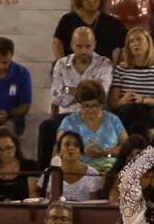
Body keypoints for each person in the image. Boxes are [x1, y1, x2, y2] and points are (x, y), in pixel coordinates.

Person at [39, 27, 114, 166]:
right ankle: (42, 175)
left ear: (94, 45)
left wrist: (68, 90)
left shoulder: (105, 64)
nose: (83, 51)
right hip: (65, 115)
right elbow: (55, 97)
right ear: (72, 45)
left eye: (88, 46)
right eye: (79, 46)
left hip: (93, 115)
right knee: (46, 126)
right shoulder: (61, 64)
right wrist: (85, 90)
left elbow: (100, 95)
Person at [109, 27, 154, 139]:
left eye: (139, 40)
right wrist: (122, 101)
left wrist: (143, 99)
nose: (135, 44)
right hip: (127, 111)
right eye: (131, 41)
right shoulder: (121, 69)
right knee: (133, 109)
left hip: (151, 111)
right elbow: (113, 104)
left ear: (148, 43)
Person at [52, 0, 128, 61]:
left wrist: (121, 65)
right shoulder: (68, 19)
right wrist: (62, 64)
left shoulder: (111, 23)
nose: (91, 0)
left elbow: (128, 43)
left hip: (102, 71)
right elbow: (57, 42)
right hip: (72, 69)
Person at [59, 80, 128, 161]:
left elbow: (127, 147)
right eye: (86, 106)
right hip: (78, 170)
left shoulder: (113, 120)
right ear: (79, 105)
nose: (91, 110)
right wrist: (80, 151)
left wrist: (105, 153)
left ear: (102, 105)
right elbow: (60, 149)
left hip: (109, 170)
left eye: (95, 105)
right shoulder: (69, 122)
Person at [38, 131, 104, 202]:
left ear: (80, 151)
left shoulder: (92, 174)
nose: (71, 147)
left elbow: (93, 206)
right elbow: (46, 204)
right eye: (67, 144)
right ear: (59, 150)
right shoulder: (49, 172)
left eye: (76, 145)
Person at [0, 127, 40, 202]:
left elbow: (34, 197)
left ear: (16, 146)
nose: (5, 153)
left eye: (8, 148)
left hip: (24, 210)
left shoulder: (30, 166)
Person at [107, 135, 154, 205]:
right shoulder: (123, 175)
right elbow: (113, 197)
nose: (132, 160)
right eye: (129, 156)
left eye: (137, 156)